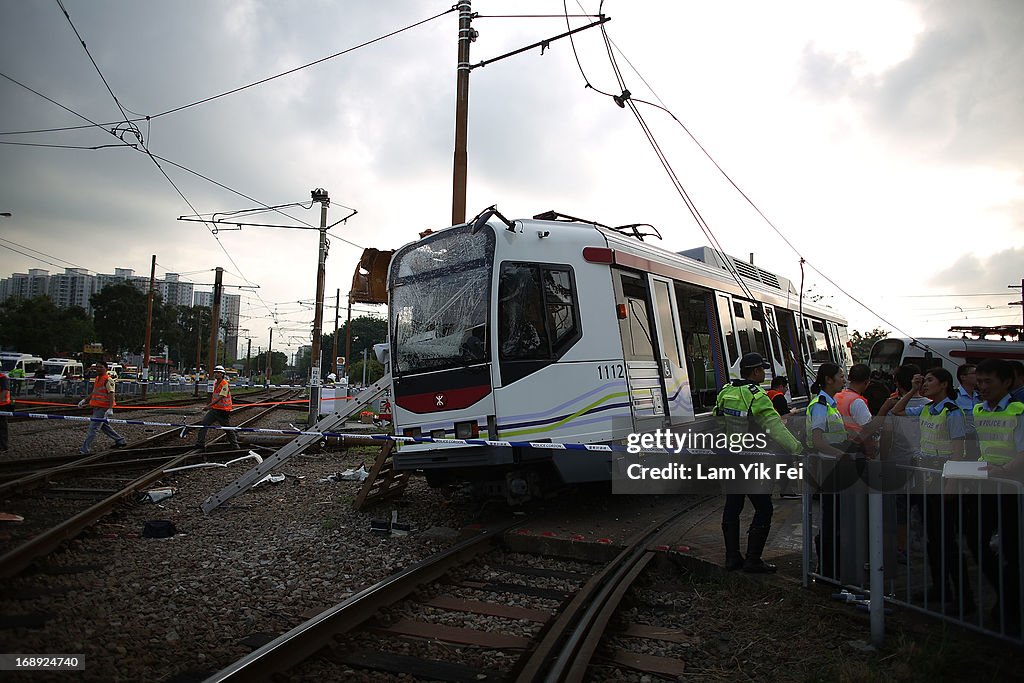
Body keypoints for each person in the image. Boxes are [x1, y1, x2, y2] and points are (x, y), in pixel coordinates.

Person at [890, 367, 972, 608]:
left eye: (929, 380)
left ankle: (964, 596)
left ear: (944, 384)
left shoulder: (952, 412)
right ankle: (941, 587)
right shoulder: (927, 408)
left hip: (943, 478)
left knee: (948, 540)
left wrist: (952, 482)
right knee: (933, 540)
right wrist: (913, 389)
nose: (925, 384)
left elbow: (958, 452)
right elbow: (897, 410)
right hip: (927, 478)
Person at [714, 352, 802, 573]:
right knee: (764, 508)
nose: (764, 373)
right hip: (752, 461)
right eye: (762, 369)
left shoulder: (726, 391)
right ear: (755, 372)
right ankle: (753, 560)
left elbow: (717, 419)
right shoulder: (756, 395)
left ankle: (732, 558)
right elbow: (776, 427)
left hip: (730, 458)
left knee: (733, 506)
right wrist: (798, 448)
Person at [968, 359, 1023, 633]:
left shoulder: (1018, 410)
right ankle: (1007, 596)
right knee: (976, 540)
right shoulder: (978, 409)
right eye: (979, 381)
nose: (982, 387)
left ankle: (1010, 606)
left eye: (989, 381)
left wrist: (1002, 470)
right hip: (987, 484)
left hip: (1012, 487)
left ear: (1007, 382)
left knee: (1013, 550)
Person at [77, 361, 127, 454]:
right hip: (97, 407)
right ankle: (120, 440)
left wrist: (110, 408)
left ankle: (84, 449)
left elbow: (111, 394)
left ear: (106, 368)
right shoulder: (97, 378)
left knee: (93, 428)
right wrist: (85, 400)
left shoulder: (108, 380)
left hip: (103, 408)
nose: (98, 369)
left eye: (101, 367)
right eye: (97, 367)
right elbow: (95, 392)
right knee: (104, 426)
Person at [766, 376, 801, 500]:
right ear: (781, 386)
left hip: (769, 433)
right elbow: (784, 415)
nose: (786, 390)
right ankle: (786, 490)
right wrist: (793, 412)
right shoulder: (778, 396)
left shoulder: (767, 395)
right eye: (786, 387)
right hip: (780, 434)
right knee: (786, 462)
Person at [835, 363, 876, 457]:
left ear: (849, 378)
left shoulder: (836, 396)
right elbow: (867, 430)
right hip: (855, 450)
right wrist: (870, 452)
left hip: (836, 447)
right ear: (867, 382)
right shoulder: (857, 402)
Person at [195, 365, 240, 450]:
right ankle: (200, 443)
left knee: (227, 428)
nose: (216, 374)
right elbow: (215, 397)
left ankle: (235, 445)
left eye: (218, 373)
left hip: (223, 411)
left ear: (222, 374)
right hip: (215, 409)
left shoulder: (225, 384)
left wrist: (209, 406)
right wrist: (211, 406)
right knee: (204, 424)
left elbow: (220, 397)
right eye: (215, 372)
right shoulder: (216, 383)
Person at [0, 369, 11, 452]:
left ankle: (3, 446)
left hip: (2, 405)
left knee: (2, 426)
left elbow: (5, 391)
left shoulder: (3, 378)